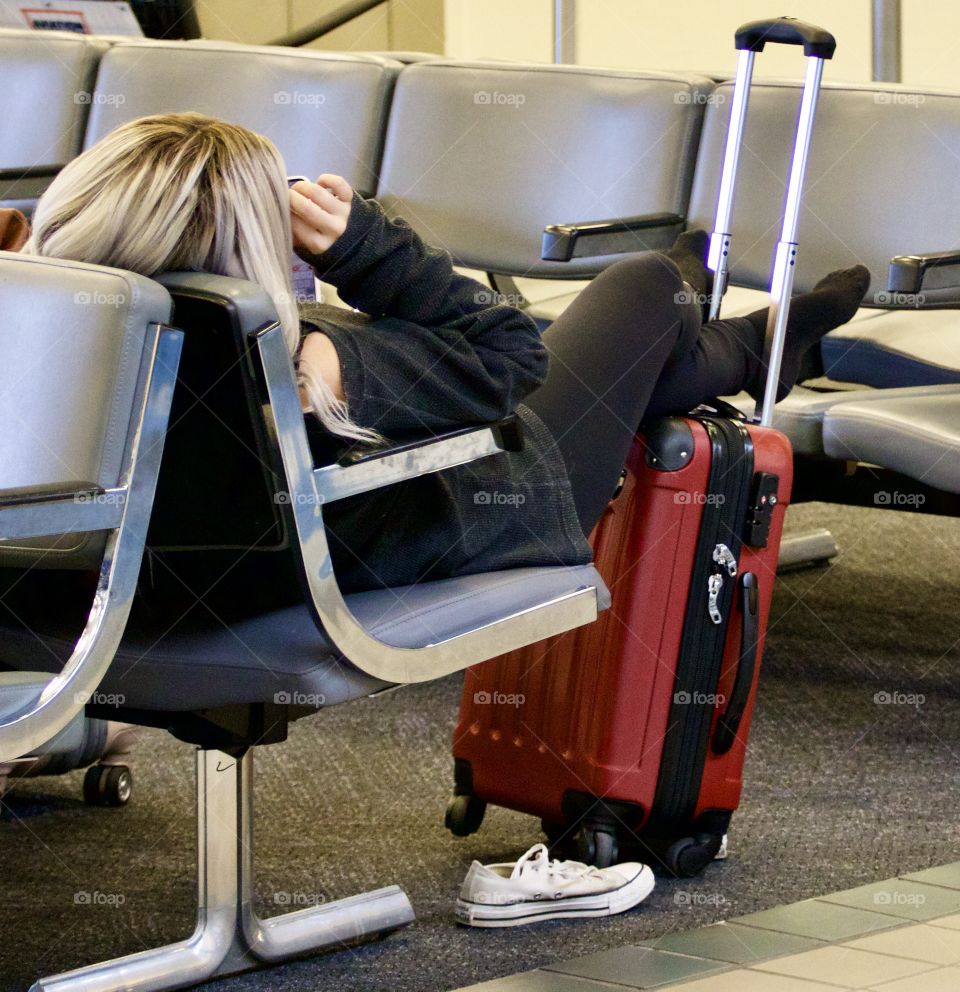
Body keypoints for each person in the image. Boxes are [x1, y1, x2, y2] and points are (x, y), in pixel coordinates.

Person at [23, 112, 870, 599]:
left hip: (131, 595)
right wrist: (363, 248)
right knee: (645, 286)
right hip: (510, 496)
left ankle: (732, 341)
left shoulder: (54, 342)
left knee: (622, 352)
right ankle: (734, 330)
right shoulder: (304, 369)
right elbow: (506, 352)